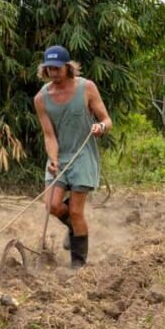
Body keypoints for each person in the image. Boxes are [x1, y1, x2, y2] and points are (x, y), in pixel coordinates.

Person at [33, 45, 112, 269]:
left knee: (76, 211)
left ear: (68, 68)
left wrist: (100, 127)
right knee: (52, 205)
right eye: (49, 69)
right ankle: (75, 228)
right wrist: (53, 159)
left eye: (57, 68)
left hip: (83, 155)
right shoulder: (41, 98)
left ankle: (78, 264)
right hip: (60, 156)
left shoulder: (86, 88)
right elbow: (49, 135)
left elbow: (107, 120)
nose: (53, 73)